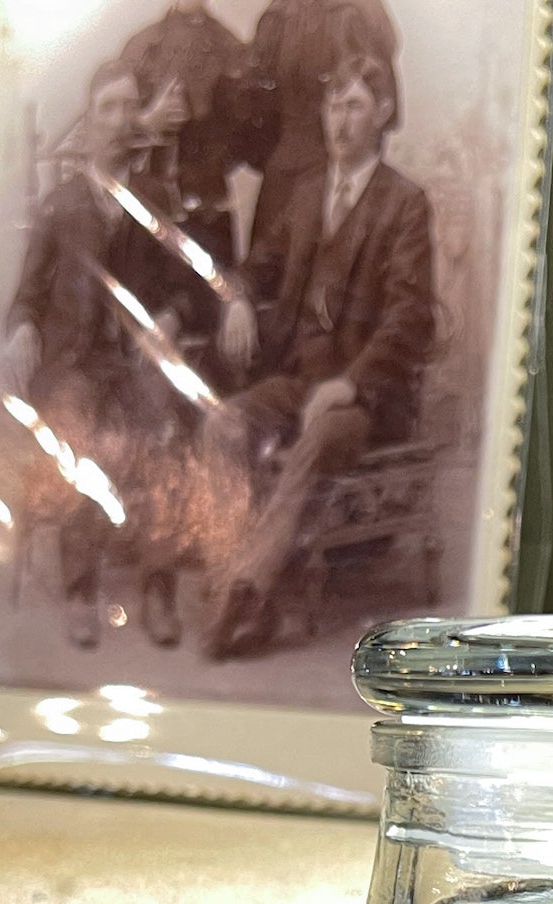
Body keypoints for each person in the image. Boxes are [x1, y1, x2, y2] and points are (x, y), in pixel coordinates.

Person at [200, 52, 434, 660]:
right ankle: (239, 571)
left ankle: (249, 593)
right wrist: (239, 300)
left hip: (367, 398)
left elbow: (411, 318)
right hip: (298, 378)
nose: (339, 120)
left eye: (354, 105)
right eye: (333, 104)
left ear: (383, 114)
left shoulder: (404, 205)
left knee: (324, 433)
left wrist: (352, 384)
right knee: (222, 423)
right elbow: (255, 267)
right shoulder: (305, 196)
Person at [3, 60, 187, 650]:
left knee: (161, 426)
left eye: (127, 106)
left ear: (138, 121)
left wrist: (171, 316)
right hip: (71, 367)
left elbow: (185, 283)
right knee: (79, 427)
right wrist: (23, 329)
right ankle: (81, 591)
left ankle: (158, 588)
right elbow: (26, 296)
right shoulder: (61, 206)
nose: (117, 119)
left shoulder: (156, 199)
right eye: (105, 107)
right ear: (89, 123)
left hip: (133, 363)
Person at [239, 0, 401, 255]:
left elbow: (378, 111)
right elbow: (255, 105)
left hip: (338, 175)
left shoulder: (357, 12)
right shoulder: (278, 14)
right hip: (283, 173)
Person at [121, 0, 249, 280]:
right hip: (148, 208)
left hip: (209, 211)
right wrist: (146, 122)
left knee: (209, 305)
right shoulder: (142, 48)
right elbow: (109, 132)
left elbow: (247, 140)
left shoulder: (230, 49)